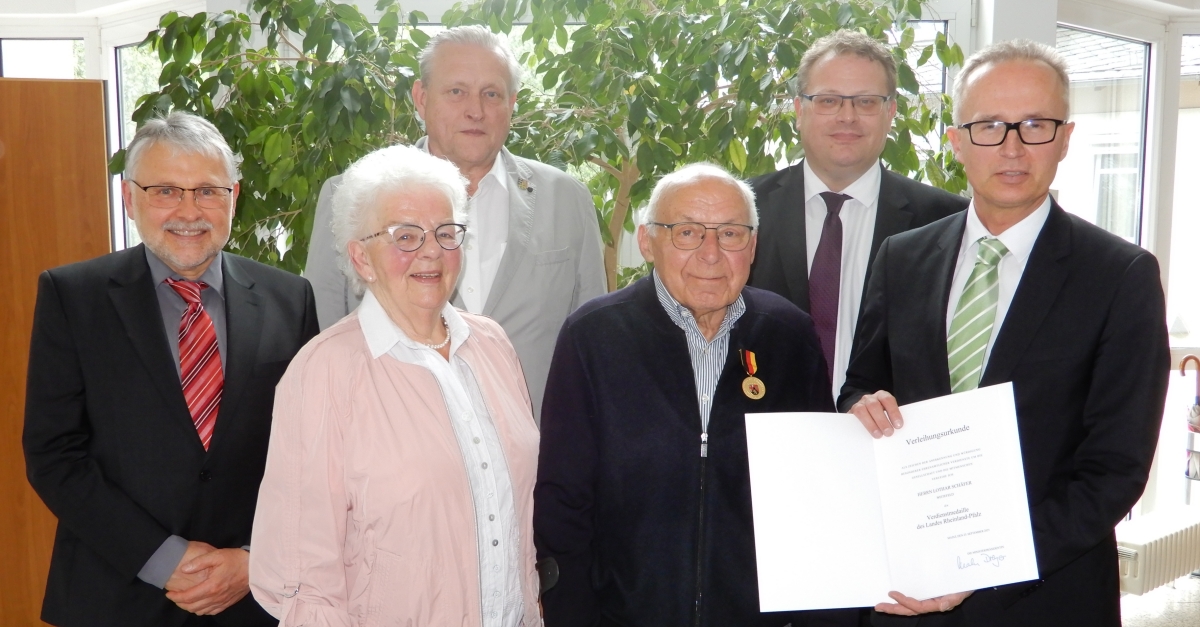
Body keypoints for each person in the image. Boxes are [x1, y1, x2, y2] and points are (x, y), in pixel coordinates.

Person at [840, 40, 1170, 627]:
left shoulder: (1121, 276)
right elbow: (861, 387)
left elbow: (1115, 470)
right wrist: (864, 407)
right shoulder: (902, 258)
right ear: (957, 140)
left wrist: (978, 565)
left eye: (1036, 125)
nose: (1013, 147)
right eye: (989, 125)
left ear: (1066, 138)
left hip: (1047, 600)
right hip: (907, 600)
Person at [22, 111, 319, 626]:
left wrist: (254, 558)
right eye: (165, 191)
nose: (189, 211)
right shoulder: (72, 297)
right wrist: (163, 560)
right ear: (129, 197)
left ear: (234, 196)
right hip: (114, 597)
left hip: (254, 596)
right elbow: (53, 455)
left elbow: (317, 452)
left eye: (207, 191)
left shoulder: (290, 298)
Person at [534, 163, 857, 627]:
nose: (711, 253)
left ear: (752, 246)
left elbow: (815, 497)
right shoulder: (593, 336)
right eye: (687, 232)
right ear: (647, 241)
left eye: (730, 234)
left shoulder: (787, 334)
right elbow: (563, 504)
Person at [249, 144, 541, 625]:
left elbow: (520, 521)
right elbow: (300, 578)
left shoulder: (492, 344)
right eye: (405, 236)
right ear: (362, 258)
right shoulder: (324, 371)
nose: (431, 251)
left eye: (446, 233)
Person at [305, 25, 606, 422]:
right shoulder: (351, 198)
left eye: (491, 94)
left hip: (537, 460)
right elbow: (323, 333)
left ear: (512, 103)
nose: (475, 110)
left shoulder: (567, 199)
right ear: (421, 98)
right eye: (457, 91)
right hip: (396, 451)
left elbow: (594, 346)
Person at [749, 30, 969, 399]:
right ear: (799, 110)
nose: (847, 117)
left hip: (892, 440)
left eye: (866, 102)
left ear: (891, 113)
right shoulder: (741, 212)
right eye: (829, 100)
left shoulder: (948, 222)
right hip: (759, 439)